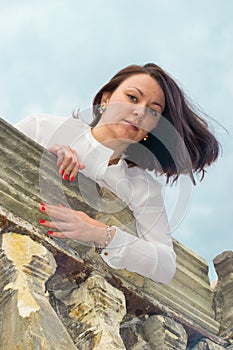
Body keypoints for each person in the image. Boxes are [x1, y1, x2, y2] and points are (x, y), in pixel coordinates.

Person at [15, 63, 220, 283]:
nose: (139, 112)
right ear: (105, 100)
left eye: (152, 111)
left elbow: (165, 265)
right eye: (132, 98)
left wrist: (100, 233)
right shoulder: (42, 127)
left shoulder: (144, 187)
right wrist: (43, 156)